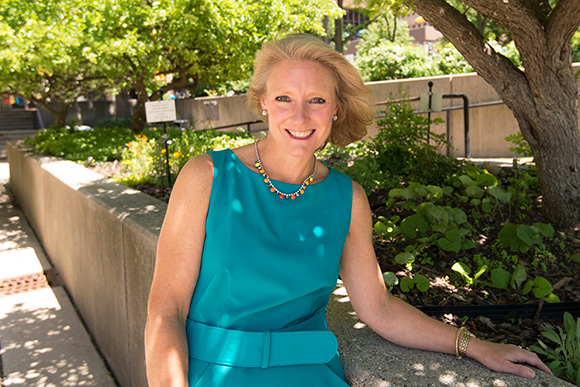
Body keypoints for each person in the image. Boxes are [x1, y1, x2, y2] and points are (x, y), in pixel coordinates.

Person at [144, 34, 552, 386]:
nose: (299, 116)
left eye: (316, 100)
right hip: (211, 374)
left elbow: (378, 308)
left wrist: (475, 346)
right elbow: (166, 309)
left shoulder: (347, 198)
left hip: (311, 374)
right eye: (284, 97)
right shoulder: (207, 177)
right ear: (262, 102)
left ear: (336, 108)